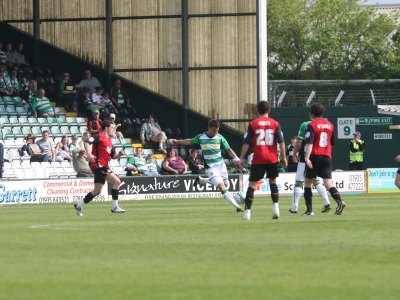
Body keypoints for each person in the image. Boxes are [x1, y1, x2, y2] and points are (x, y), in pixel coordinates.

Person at [171, 119, 243, 212]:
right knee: (222, 187)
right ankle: (237, 206)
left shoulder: (220, 137)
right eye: (214, 130)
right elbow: (189, 141)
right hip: (211, 167)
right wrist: (177, 142)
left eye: (217, 130)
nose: (215, 132)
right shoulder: (201, 137)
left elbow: (229, 149)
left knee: (226, 185)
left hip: (221, 165)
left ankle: (202, 180)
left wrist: (237, 159)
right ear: (209, 128)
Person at [238, 100, 287, 220]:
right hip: (272, 158)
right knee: (273, 182)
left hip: (258, 158)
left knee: (252, 185)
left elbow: (246, 142)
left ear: (257, 111)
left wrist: (242, 158)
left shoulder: (253, 124)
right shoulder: (275, 123)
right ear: (268, 110)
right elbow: (281, 141)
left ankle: (247, 213)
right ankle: (276, 208)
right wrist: (284, 157)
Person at [74, 121, 126, 216]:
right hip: (98, 165)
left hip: (103, 166)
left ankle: (79, 205)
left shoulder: (109, 141)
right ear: (106, 128)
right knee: (117, 182)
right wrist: (89, 154)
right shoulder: (99, 136)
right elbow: (87, 141)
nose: (113, 130)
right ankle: (114, 207)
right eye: (112, 127)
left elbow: (113, 156)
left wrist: (119, 154)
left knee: (97, 191)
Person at [303, 102, 346, 216]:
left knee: (307, 182)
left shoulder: (311, 125)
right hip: (327, 156)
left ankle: (309, 210)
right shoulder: (330, 125)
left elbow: (309, 143)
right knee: (328, 183)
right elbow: (332, 143)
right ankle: (340, 202)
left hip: (315, 156)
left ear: (311, 113)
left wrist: (307, 158)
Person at [289, 120, 331, 214]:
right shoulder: (324, 125)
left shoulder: (305, 124)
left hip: (305, 157)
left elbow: (299, 142)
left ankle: (294, 207)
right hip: (317, 157)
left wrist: (295, 153)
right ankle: (327, 202)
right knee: (316, 181)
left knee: (299, 182)